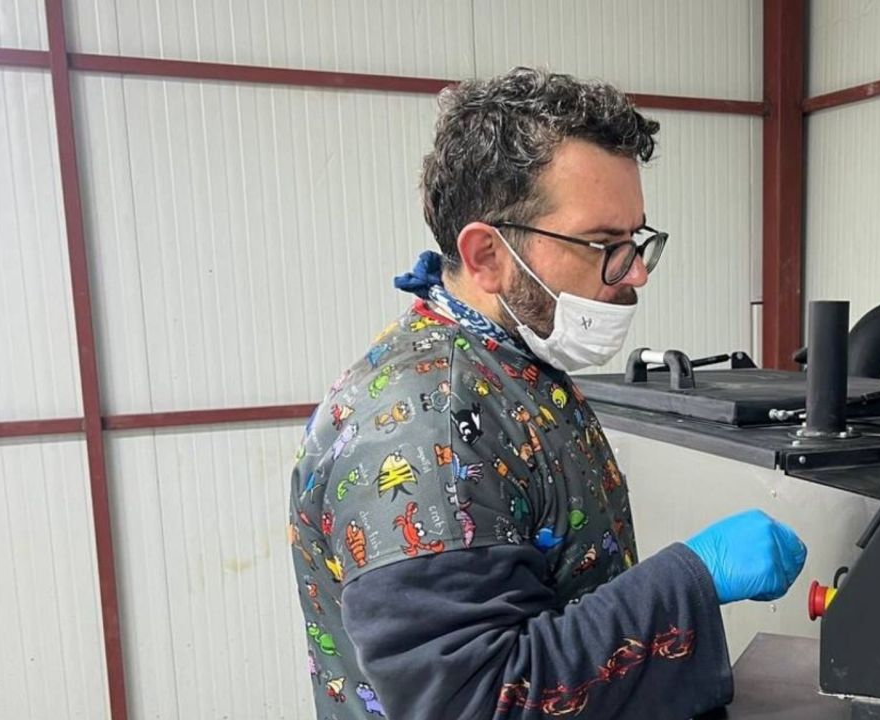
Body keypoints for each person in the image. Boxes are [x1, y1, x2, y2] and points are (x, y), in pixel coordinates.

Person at [288, 67, 808, 720]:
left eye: (637, 239)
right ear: (487, 255)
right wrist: (692, 577)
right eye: (604, 243)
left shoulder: (510, 363)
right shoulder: (429, 425)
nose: (636, 271)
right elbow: (478, 701)